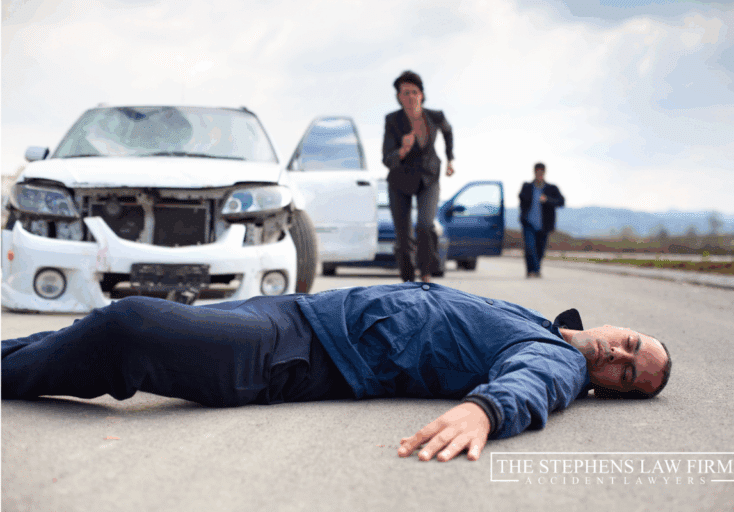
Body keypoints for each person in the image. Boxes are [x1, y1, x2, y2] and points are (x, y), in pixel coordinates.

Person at [2, 283, 671, 463]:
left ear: (605, 390)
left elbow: (531, 385)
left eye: (625, 376)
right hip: (297, 313)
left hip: (297, 354)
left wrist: (484, 411)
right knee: (87, 334)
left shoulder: (556, 360)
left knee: (130, 327)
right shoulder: (542, 324)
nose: (617, 357)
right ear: (623, 326)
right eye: (630, 344)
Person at [382, 70, 454, 283]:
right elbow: (386, 158)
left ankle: (426, 274)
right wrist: (402, 150)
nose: (411, 96)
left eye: (414, 92)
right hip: (400, 181)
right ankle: (407, 281)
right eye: (405, 93)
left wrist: (450, 159)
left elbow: (448, 132)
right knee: (404, 239)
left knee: (425, 225)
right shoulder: (392, 121)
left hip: (429, 178)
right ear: (399, 97)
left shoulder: (436, 116)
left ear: (421, 94)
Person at [518, 162, 565, 278]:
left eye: (541, 172)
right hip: (528, 223)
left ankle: (536, 270)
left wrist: (547, 199)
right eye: (537, 172)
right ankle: (531, 271)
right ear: (534, 172)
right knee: (529, 247)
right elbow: (521, 198)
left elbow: (561, 202)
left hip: (544, 225)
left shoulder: (551, 188)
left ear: (544, 173)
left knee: (540, 249)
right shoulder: (527, 186)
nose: (539, 174)